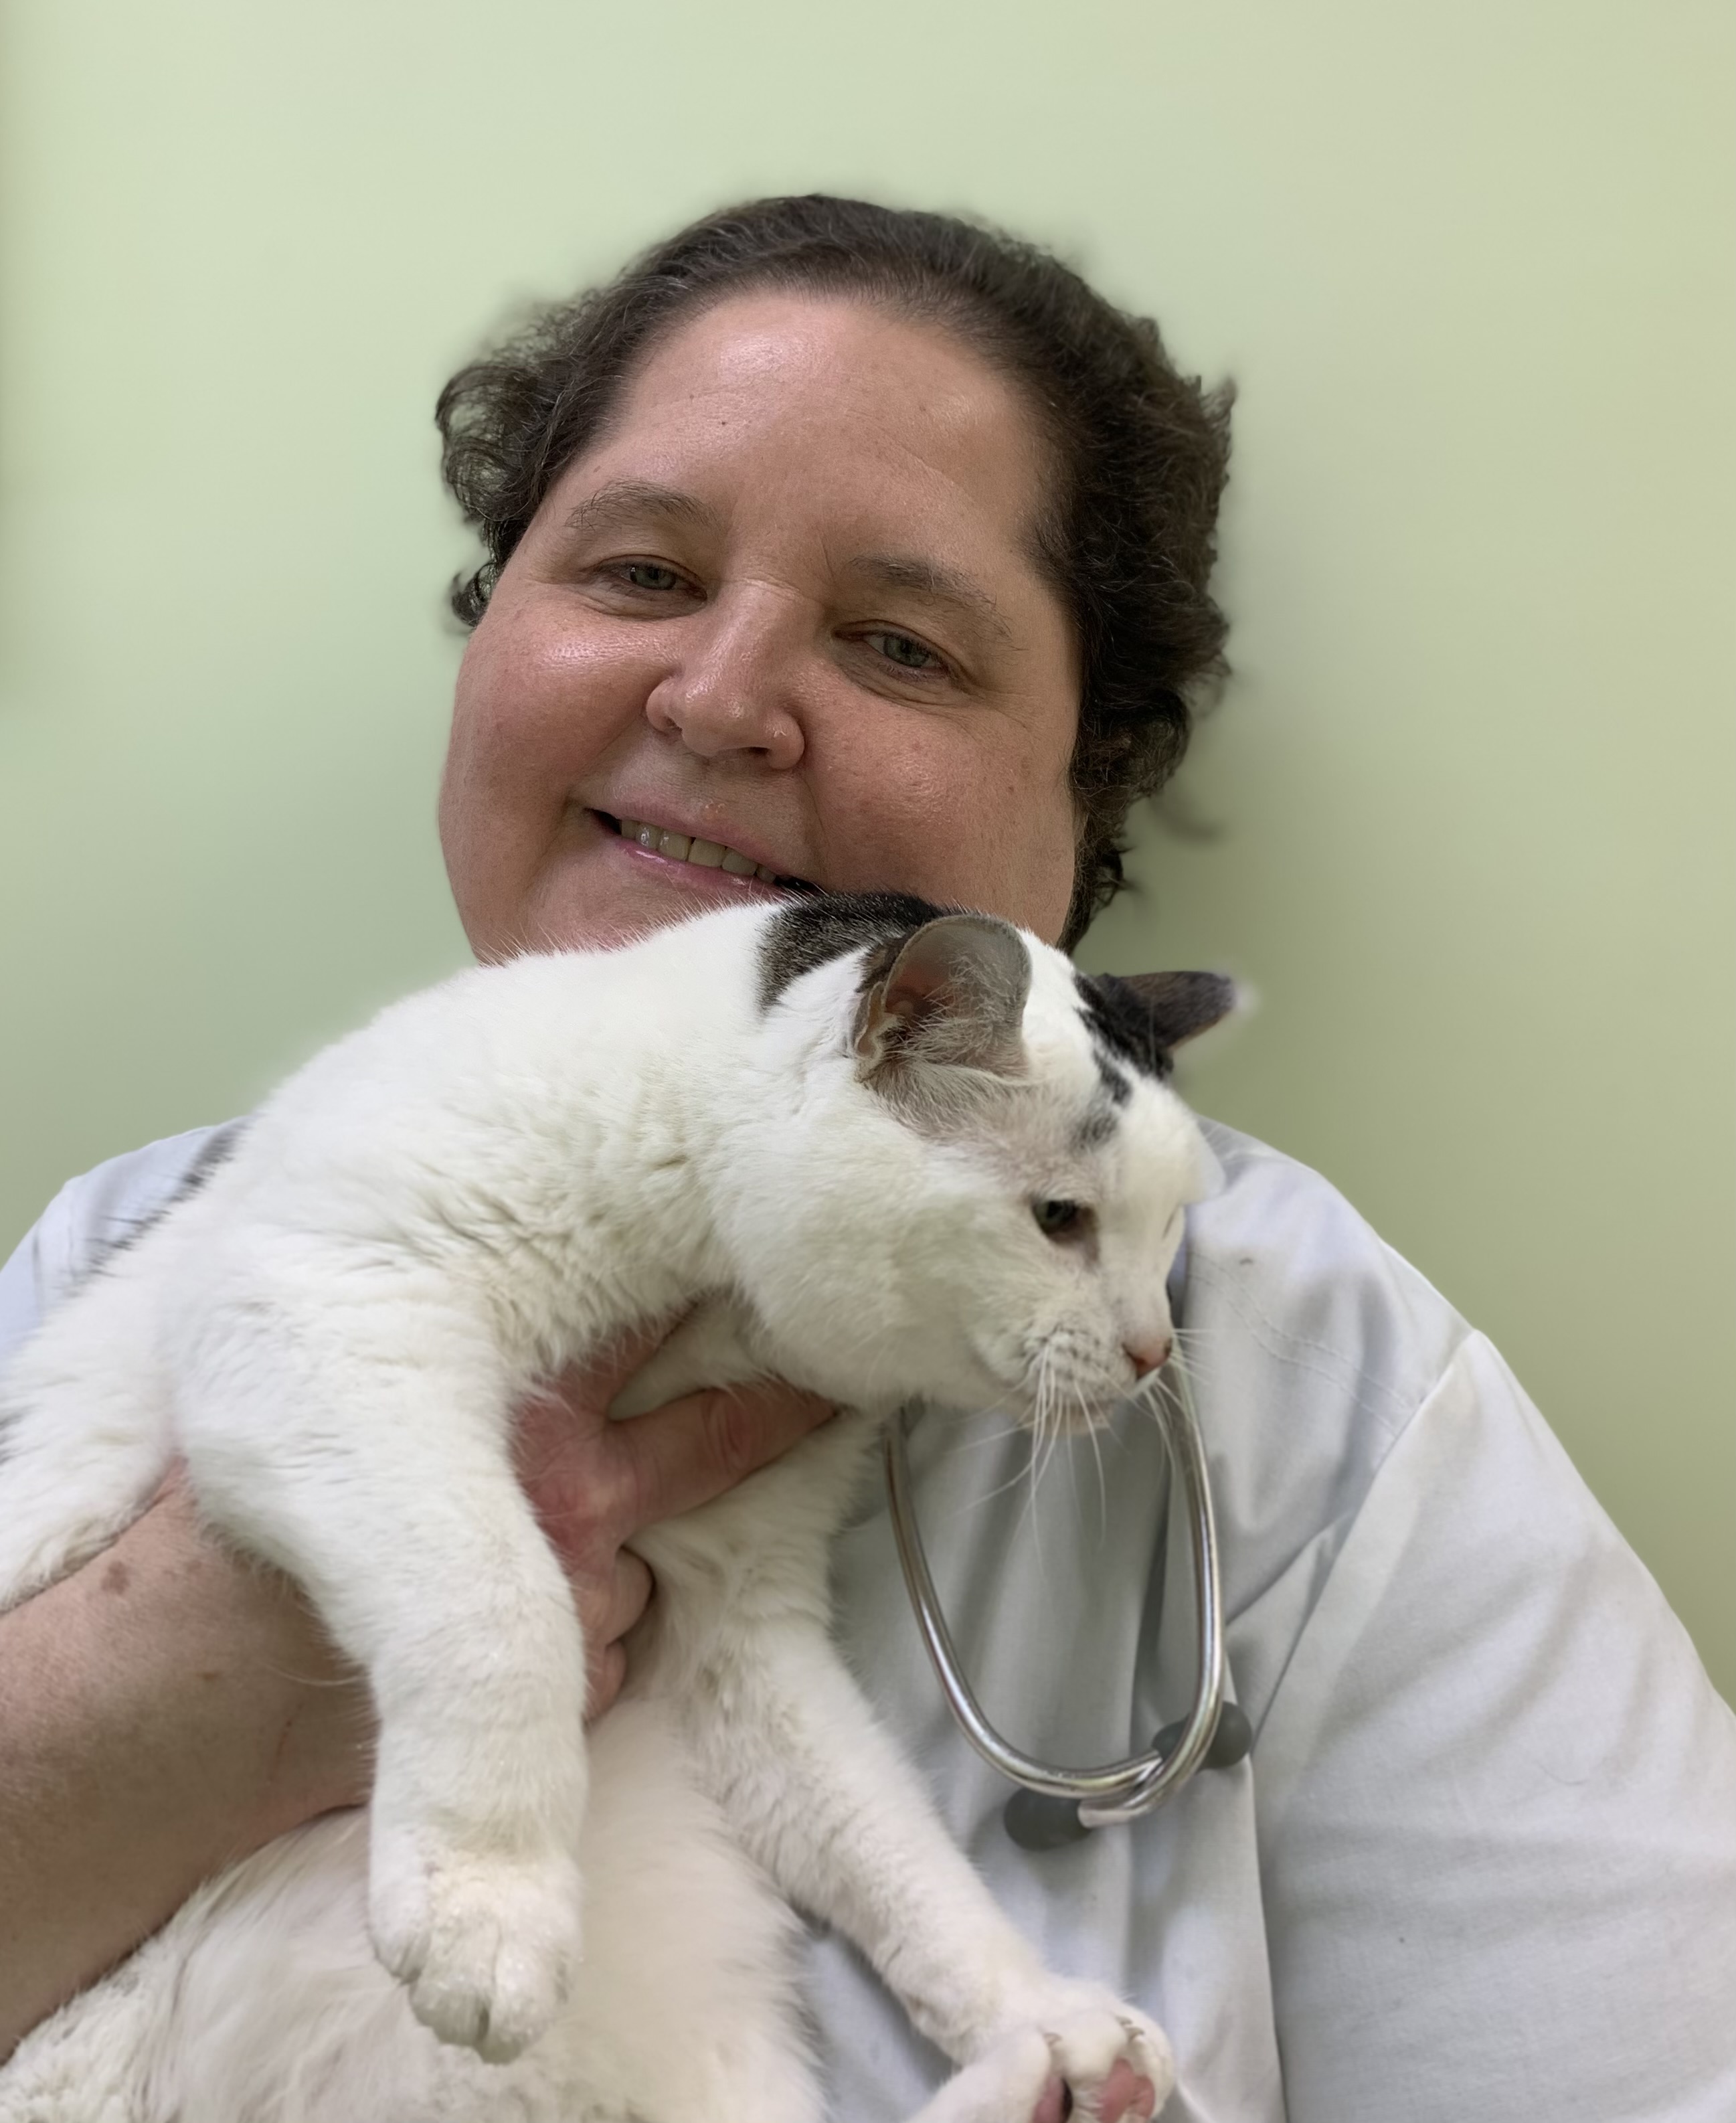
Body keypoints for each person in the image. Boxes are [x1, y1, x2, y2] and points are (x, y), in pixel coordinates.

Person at [0, 196, 1730, 2122]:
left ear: (1088, 800)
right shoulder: (113, 1242)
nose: (720, 700)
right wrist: (160, 1689)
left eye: (897, 641)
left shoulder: (1305, 1376)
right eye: (640, 572)